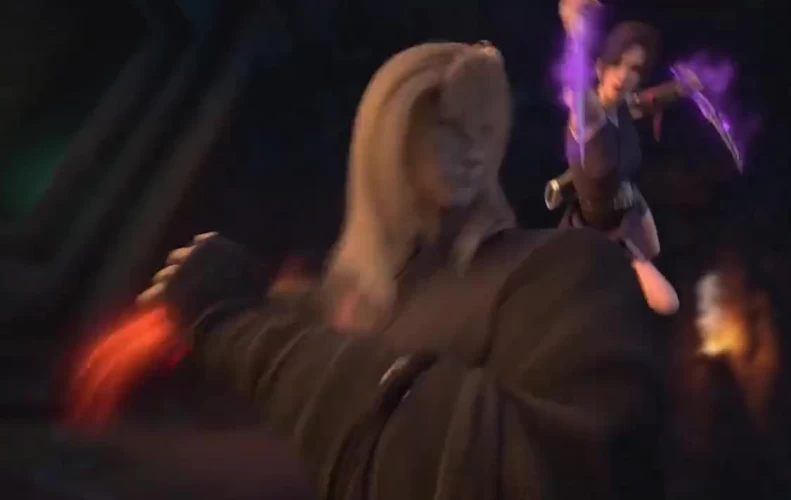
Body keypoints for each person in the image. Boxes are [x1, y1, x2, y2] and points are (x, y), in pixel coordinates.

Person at [110, 41, 664, 499]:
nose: (474, 152)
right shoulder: (328, 301)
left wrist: (242, 330)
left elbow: (554, 475)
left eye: (484, 130)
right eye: (449, 128)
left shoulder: (562, 268)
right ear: (390, 131)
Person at [555, 0, 703, 316]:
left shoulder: (622, 108)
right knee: (666, 302)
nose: (623, 75)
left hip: (625, 207)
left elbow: (647, 102)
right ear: (600, 67)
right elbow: (575, 86)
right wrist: (575, 30)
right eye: (617, 63)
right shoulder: (589, 115)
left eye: (634, 69)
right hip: (597, 232)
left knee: (654, 247)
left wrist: (683, 88)